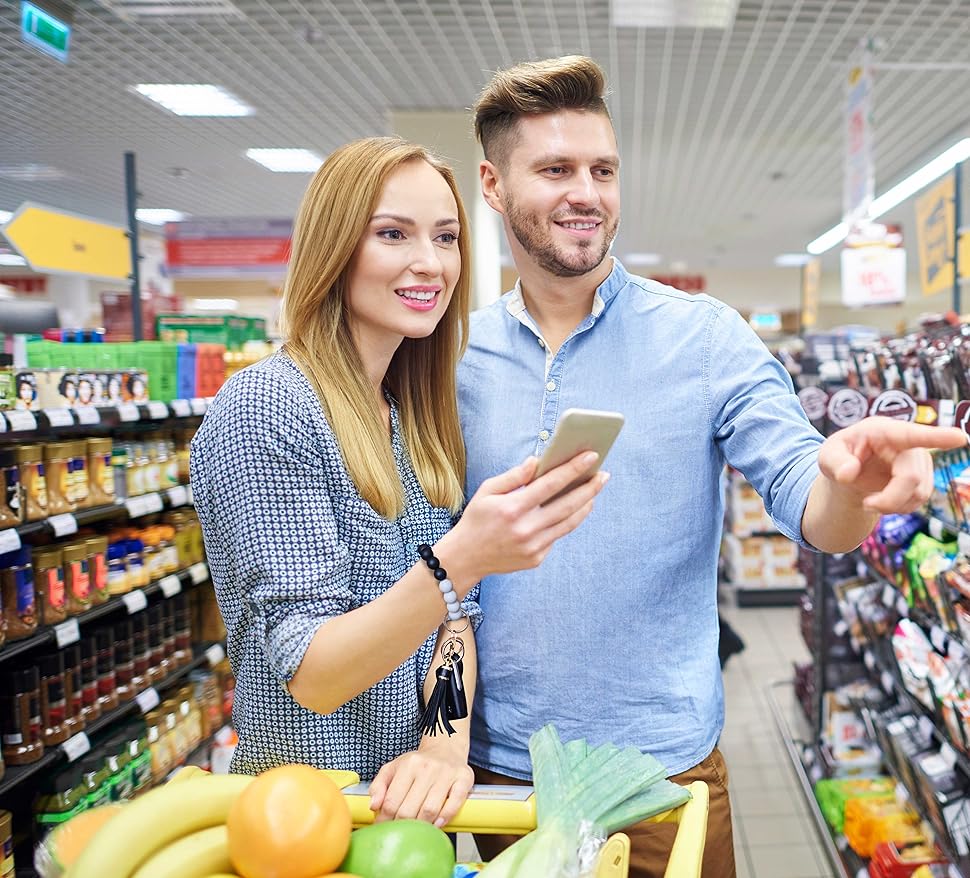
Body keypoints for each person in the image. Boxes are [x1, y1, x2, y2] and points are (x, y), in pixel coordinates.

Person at [458, 56, 967, 878]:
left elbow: (814, 504)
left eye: (603, 170)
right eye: (555, 169)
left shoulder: (705, 337)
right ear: (492, 183)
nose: (586, 191)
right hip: (505, 772)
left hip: (666, 771)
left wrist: (850, 487)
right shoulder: (454, 359)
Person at [189, 136, 606, 829]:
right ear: (335, 248)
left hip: (410, 820)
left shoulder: (410, 416)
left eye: (446, 238)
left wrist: (443, 750)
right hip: (303, 822)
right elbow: (315, 672)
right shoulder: (267, 407)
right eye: (393, 234)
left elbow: (451, 621)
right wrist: (465, 556)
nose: (430, 263)